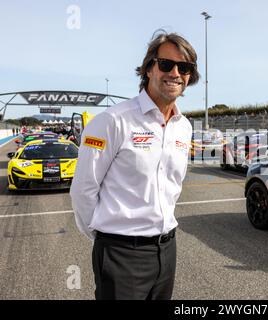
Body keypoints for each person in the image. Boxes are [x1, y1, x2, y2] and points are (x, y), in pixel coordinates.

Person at [70, 32, 199, 300]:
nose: (175, 73)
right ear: (149, 68)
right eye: (166, 64)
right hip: (121, 253)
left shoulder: (184, 127)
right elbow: (83, 189)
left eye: (184, 67)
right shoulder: (112, 121)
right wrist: (107, 239)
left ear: (189, 77)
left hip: (167, 249)